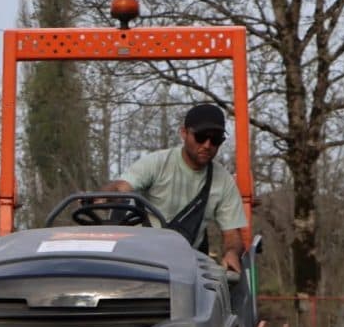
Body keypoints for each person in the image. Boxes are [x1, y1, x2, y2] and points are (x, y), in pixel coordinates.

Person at [99, 103, 246, 276]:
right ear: (184, 133)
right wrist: (104, 196)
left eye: (215, 140)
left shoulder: (224, 181)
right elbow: (121, 187)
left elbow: (232, 235)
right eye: (200, 137)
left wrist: (231, 253)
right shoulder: (157, 163)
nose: (207, 145)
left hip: (186, 268)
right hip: (139, 262)